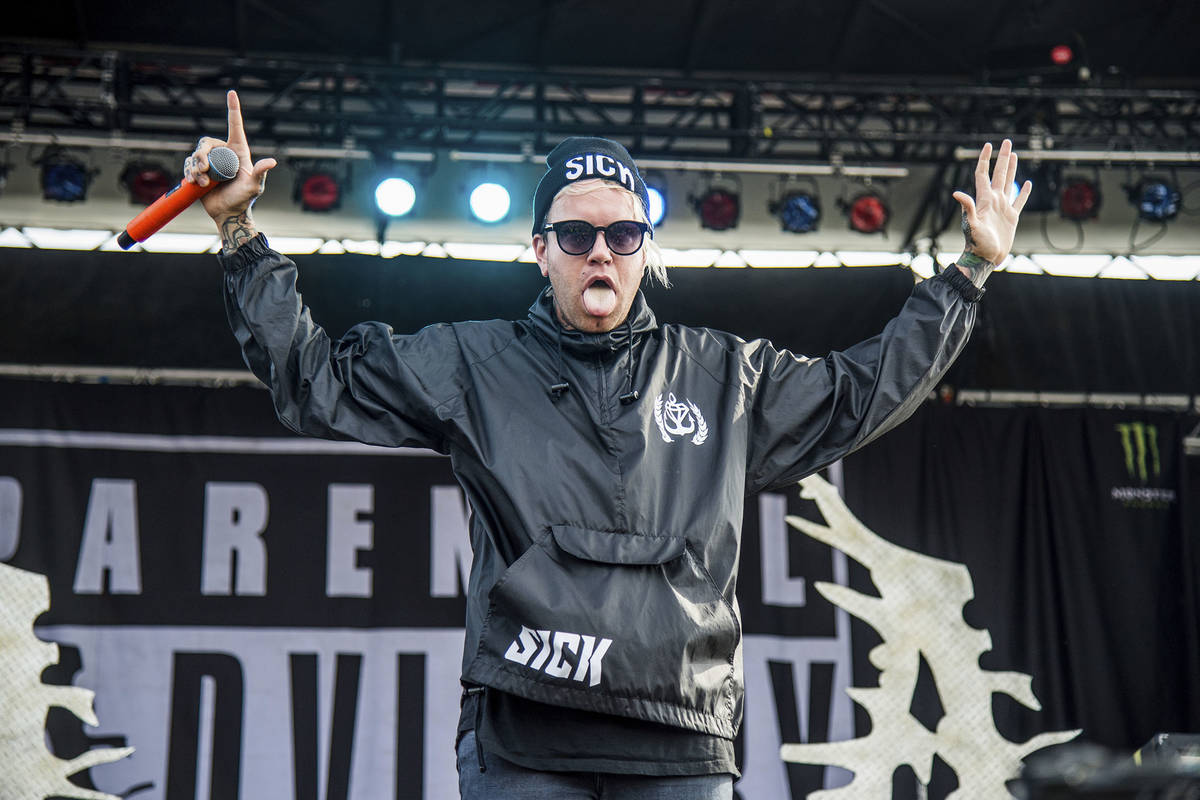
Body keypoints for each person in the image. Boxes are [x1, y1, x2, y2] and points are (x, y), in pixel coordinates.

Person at [187, 89, 1031, 799]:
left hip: (680, 743)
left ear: (644, 253)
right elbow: (315, 380)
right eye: (578, 235)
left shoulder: (724, 377)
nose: (602, 251)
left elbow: (862, 391)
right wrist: (238, 237)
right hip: (525, 738)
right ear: (539, 252)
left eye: (623, 235)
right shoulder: (472, 363)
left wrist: (969, 276)